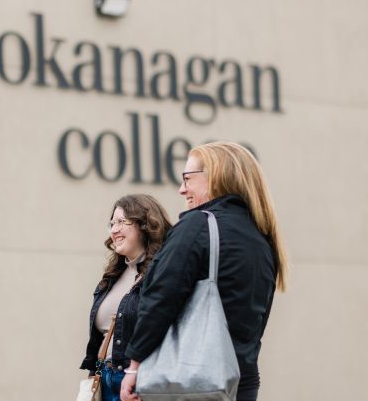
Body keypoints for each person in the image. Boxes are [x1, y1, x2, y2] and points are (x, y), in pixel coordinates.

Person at [121, 142, 288, 401]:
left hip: (193, 382)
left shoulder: (198, 224)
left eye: (187, 179)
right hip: (242, 382)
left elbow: (160, 299)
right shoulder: (263, 238)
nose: (181, 189)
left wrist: (134, 366)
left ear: (215, 176)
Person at [79, 195, 172, 401]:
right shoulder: (112, 276)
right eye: (111, 223)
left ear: (145, 225)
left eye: (121, 222)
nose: (114, 230)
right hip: (104, 380)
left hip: (139, 383)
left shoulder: (163, 273)